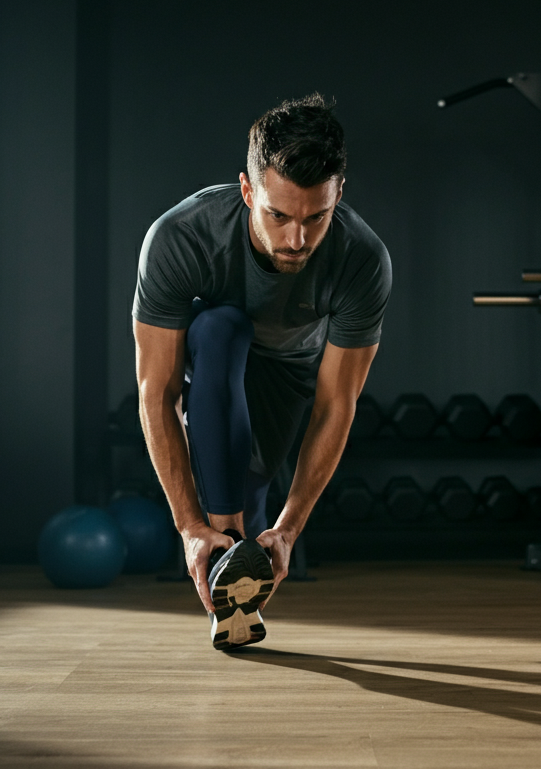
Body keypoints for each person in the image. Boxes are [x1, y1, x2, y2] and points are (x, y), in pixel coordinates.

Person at [133, 94, 391, 649]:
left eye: (316, 217)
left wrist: (289, 528)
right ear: (248, 190)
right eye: (279, 215)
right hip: (214, 365)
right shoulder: (182, 236)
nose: (297, 239)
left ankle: (235, 561)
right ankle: (221, 545)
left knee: (251, 496)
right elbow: (157, 393)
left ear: (338, 194)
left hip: (289, 379)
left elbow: (335, 403)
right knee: (221, 327)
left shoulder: (362, 259)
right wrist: (188, 527)